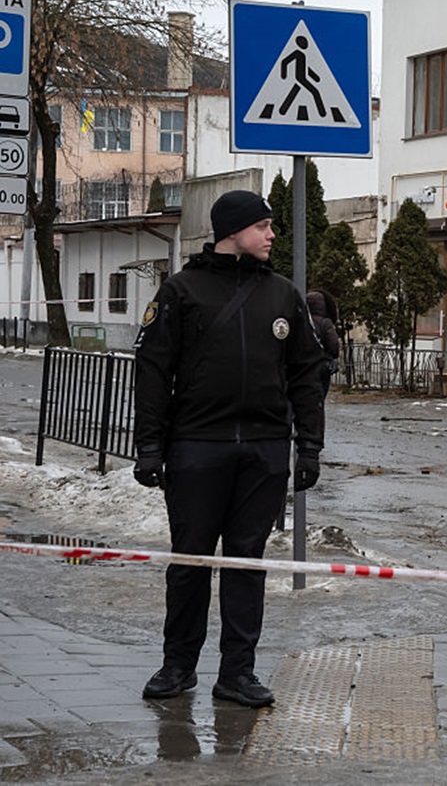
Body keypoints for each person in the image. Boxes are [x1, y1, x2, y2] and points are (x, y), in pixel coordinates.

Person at [132, 189, 325, 709]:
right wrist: (149, 446)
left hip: (263, 450)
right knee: (190, 561)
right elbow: (153, 371)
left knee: (246, 564)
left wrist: (309, 447)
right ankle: (177, 666)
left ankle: (238, 673)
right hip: (197, 447)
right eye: (262, 225)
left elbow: (307, 373)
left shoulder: (282, 294)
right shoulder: (181, 291)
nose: (271, 235)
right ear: (233, 230)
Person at [306, 288, 341, 398]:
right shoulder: (325, 322)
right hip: (321, 366)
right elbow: (333, 346)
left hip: (304, 367)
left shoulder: (301, 320)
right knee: (320, 396)